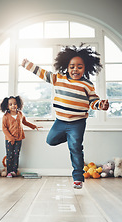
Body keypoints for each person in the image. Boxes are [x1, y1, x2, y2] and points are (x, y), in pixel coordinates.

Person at [22, 43, 109, 189]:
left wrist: (101, 105)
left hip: (77, 123)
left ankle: (78, 178)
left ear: (85, 68)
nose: (75, 69)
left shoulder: (87, 85)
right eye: (72, 66)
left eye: (79, 67)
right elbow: (43, 73)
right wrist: (29, 65)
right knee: (50, 140)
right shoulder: (59, 78)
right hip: (60, 121)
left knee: (75, 148)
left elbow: (93, 102)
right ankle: (71, 139)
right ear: (66, 67)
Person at [0, 95, 40, 178]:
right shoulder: (6, 116)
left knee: (16, 154)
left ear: (18, 104)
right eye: (10, 104)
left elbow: (25, 122)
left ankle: (14, 171)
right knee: (9, 155)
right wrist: (10, 138)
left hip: (19, 138)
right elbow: (4, 128)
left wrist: (34, 126)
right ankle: (9, 171)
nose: (13, 106)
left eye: (14, 104)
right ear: (7, 106)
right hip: (9, 139)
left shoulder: (20, 114)